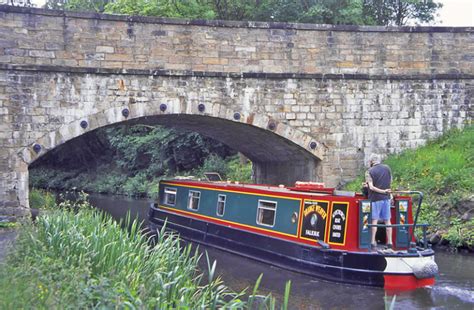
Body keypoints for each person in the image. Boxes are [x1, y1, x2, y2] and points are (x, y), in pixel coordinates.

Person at [364, 153, 392, 250]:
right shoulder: (387, 168)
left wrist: (380, 191)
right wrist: (385, 191)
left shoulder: (369, 171)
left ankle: (372, 242)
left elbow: (371, 187)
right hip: (386, 198)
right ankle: (390, 242)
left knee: (374, 220)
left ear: (371, 161)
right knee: (387, 220)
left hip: (375, 199)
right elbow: (389, 182)